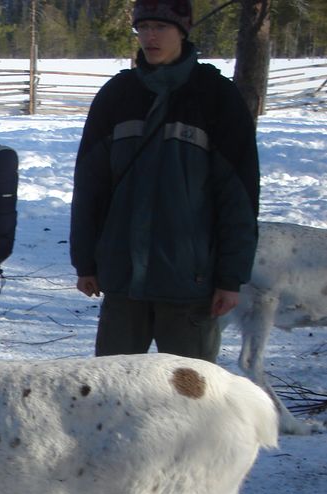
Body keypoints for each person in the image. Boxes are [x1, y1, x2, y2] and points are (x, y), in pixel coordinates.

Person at [69, 0, 259, 363]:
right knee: (113, 388)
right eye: (143, 27)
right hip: (123, 281)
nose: (150, 37)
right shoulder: (117, 95)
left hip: (190, 283)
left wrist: (230, 278)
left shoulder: (216, 96)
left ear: (183, 31)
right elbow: (89, 186)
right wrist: (85, 262)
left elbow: (238, 197)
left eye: (160, 27)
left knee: (191, 391)